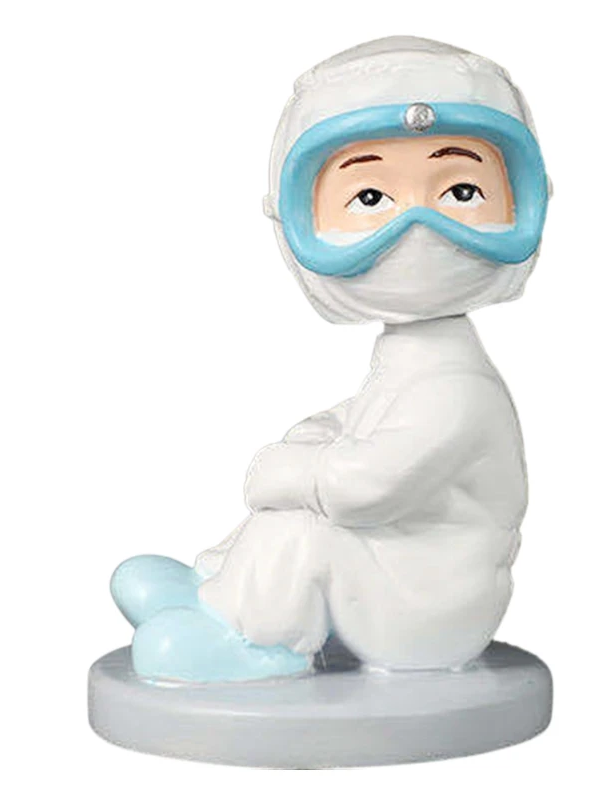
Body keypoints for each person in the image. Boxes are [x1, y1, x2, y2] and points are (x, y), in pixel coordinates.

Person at [111, 36, 550, 682]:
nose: (418, 227)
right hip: (407, 572)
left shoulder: (457, 386)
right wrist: (319, 437)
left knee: (306, 530)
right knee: (298, 513)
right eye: (371, 199)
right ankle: (222, 590)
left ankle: (256, 641)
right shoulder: (421, 360)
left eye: (460, 192)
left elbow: (366, 487)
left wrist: (284, 469)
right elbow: (367, 417)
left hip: (432, 608)